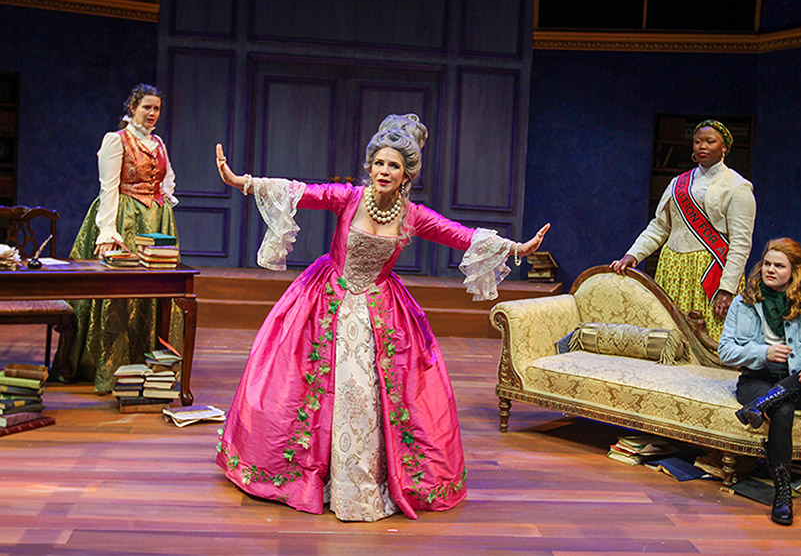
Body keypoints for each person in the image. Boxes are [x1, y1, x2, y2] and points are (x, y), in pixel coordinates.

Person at [213, 113, 550, 521]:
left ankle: (360, 479)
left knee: (367, 393)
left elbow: (462, 235)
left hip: (379, 307)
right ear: (369, 166)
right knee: (302, 386)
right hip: (327, 298)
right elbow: (299, 191)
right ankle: (307, 474)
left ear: (407, 173)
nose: (384, 171)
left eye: (394, 165)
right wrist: (241, 181)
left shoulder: (413, 216)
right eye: (379, 163)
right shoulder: (347, 197)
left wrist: (518, 248)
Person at [67, 84, 181, 393]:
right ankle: (104, 364)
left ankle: (147, 362)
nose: (152, 113)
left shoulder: (158, 142)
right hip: (123, 218)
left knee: (152, 289)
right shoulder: (115, 141)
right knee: (120, 291)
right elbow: (109, 187)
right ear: (132, 107)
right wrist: (107, 230)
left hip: (155, 221)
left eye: (156, 108)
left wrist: (163, 206)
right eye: (147, 107)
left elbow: (165, 179)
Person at [719, 238, 801, 526]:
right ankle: (782, 494)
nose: (770, 270)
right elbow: (725, 351)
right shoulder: (743, 303)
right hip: (757, 379)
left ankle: (763, 405)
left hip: (797, 379)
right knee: (782, 409)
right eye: (767, 264)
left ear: (794, 270)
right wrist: (763, 352)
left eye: (779, 266)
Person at [611, 120, 756, 342]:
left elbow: (740, 243)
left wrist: (727, 288)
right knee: (667, 336)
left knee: (707, 340)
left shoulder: (737, 186)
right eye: (698, 142)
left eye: (710, 141)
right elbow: (660, 226)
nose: (702, 147)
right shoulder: (678, 183)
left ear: (724, 147)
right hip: (672, 268)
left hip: (710, 272)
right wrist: (633, 255)